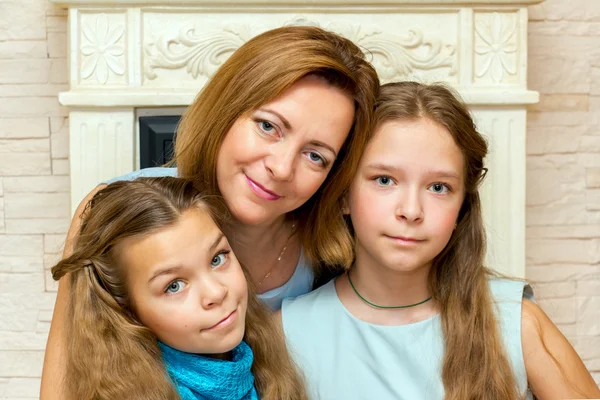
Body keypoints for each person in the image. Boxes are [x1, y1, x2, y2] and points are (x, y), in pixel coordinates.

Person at [41, 26, 379, 398]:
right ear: (227, 110)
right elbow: (64, 383)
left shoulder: (333, 248)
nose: (282, 168)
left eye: (315, 155)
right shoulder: (120, 212)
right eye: (268, 126)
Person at [280, 82, 600, 400]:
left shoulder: (516, 322)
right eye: (384, 180)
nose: (411, 211)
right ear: (343, 196)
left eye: (438, 187)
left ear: (461, 206)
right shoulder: (289, 332)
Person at [51, 177, 307, 400]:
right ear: (128, 311)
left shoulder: (260, 364)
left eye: (217, 258)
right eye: (174, 286)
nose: (216, 293)